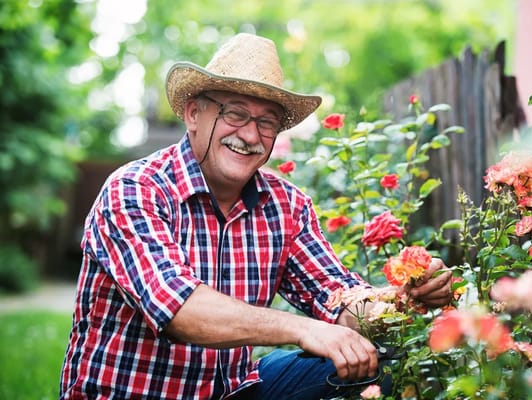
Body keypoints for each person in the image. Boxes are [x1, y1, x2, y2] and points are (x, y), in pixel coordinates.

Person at [59, 33, 453, 400]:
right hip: (135, 393)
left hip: (232, 391)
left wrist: (406, 297)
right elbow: (179, 311)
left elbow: (337, 297)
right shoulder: (134, 190)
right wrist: (302, 329)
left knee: (375, 363)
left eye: (266, 122)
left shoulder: (286, 205)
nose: (250, 135)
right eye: (235, 114)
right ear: (193, 113)